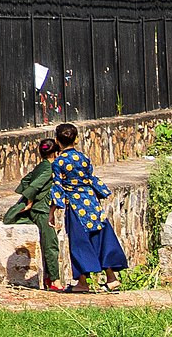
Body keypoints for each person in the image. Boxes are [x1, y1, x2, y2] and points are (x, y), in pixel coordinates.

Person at [48, 122, 128, 292]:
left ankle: (83, 282)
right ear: (76, 139)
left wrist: (52, 212)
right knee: (100, 236)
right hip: (92, 202)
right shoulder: (84, 158)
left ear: (57, 141)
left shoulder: (58, 162)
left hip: (76, 206)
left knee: (79, 242)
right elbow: (91, 178)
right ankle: (111, 277)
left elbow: (57, 187)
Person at [3, 138, 65, 291]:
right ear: (56, 153)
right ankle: (55, 281)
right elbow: (34, 186)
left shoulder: (41, 166)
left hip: (40, 208)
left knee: (48, 243)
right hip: (41, 210)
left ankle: (48, 278)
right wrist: (30, 202)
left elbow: (26, 180)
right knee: (51, 245)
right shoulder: (48, 169)